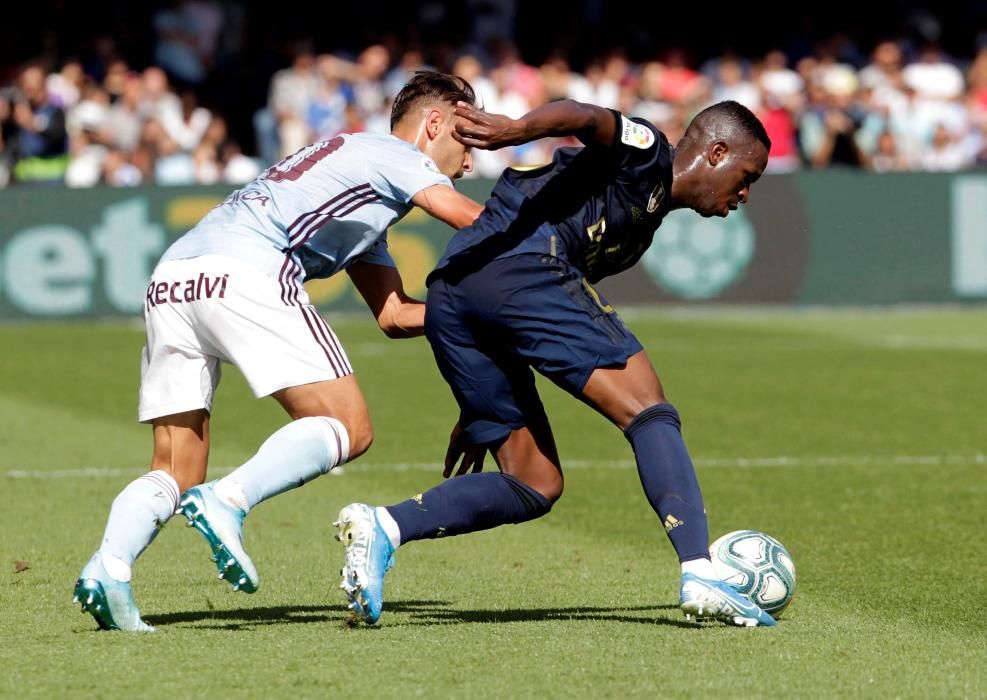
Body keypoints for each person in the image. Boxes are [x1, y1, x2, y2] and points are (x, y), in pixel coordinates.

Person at [335, 98, 777, 627]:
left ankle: (383, 527)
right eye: (746, 175)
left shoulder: (641, 228)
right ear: (716, 151)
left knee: (533, 481)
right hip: (523, 265)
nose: (745, 194)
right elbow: (589, 119)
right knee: (649, 410)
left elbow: (520, 319)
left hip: (455, 293)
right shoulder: (649, 156)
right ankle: (700, 569)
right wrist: (517, 130)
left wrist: (481, 401)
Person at [73, 71, 483, 632]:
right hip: (248, 267)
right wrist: (555, 252)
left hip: (174, 276)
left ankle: (109, 570)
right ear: (435, 123)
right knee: (349, 426)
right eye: (471, 136)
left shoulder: (364, 190)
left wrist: (480, 310)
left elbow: (393, 314)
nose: (472, 159)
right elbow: (471, 219)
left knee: (175, 467)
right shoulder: (393, 154)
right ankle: (231, 500)